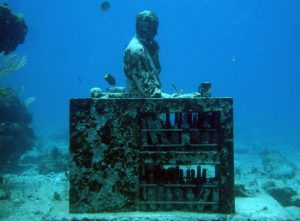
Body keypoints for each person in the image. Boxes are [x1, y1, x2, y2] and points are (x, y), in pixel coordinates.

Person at [123, 11, 162, 98]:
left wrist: (154, 55)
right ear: (144, 28)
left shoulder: (147, 49)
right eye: (154, 28)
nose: (156, 33)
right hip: (140, 109)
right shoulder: (137, 51)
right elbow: (150, 91)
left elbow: (153, 79)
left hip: (146, 108)